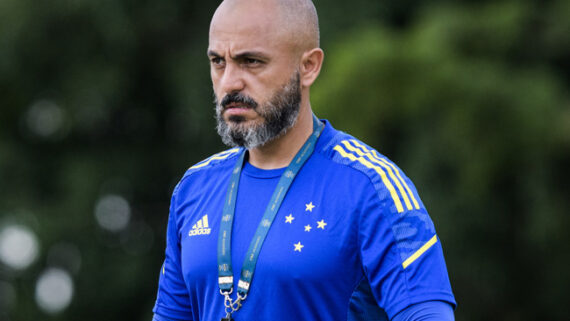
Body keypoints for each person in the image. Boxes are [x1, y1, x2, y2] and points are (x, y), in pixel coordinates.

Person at [152, 0, 456, 320]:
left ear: (308, 66)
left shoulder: (371, 187)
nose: (229, 82)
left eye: (251, 61)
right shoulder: (194, 188)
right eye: (218, 62)